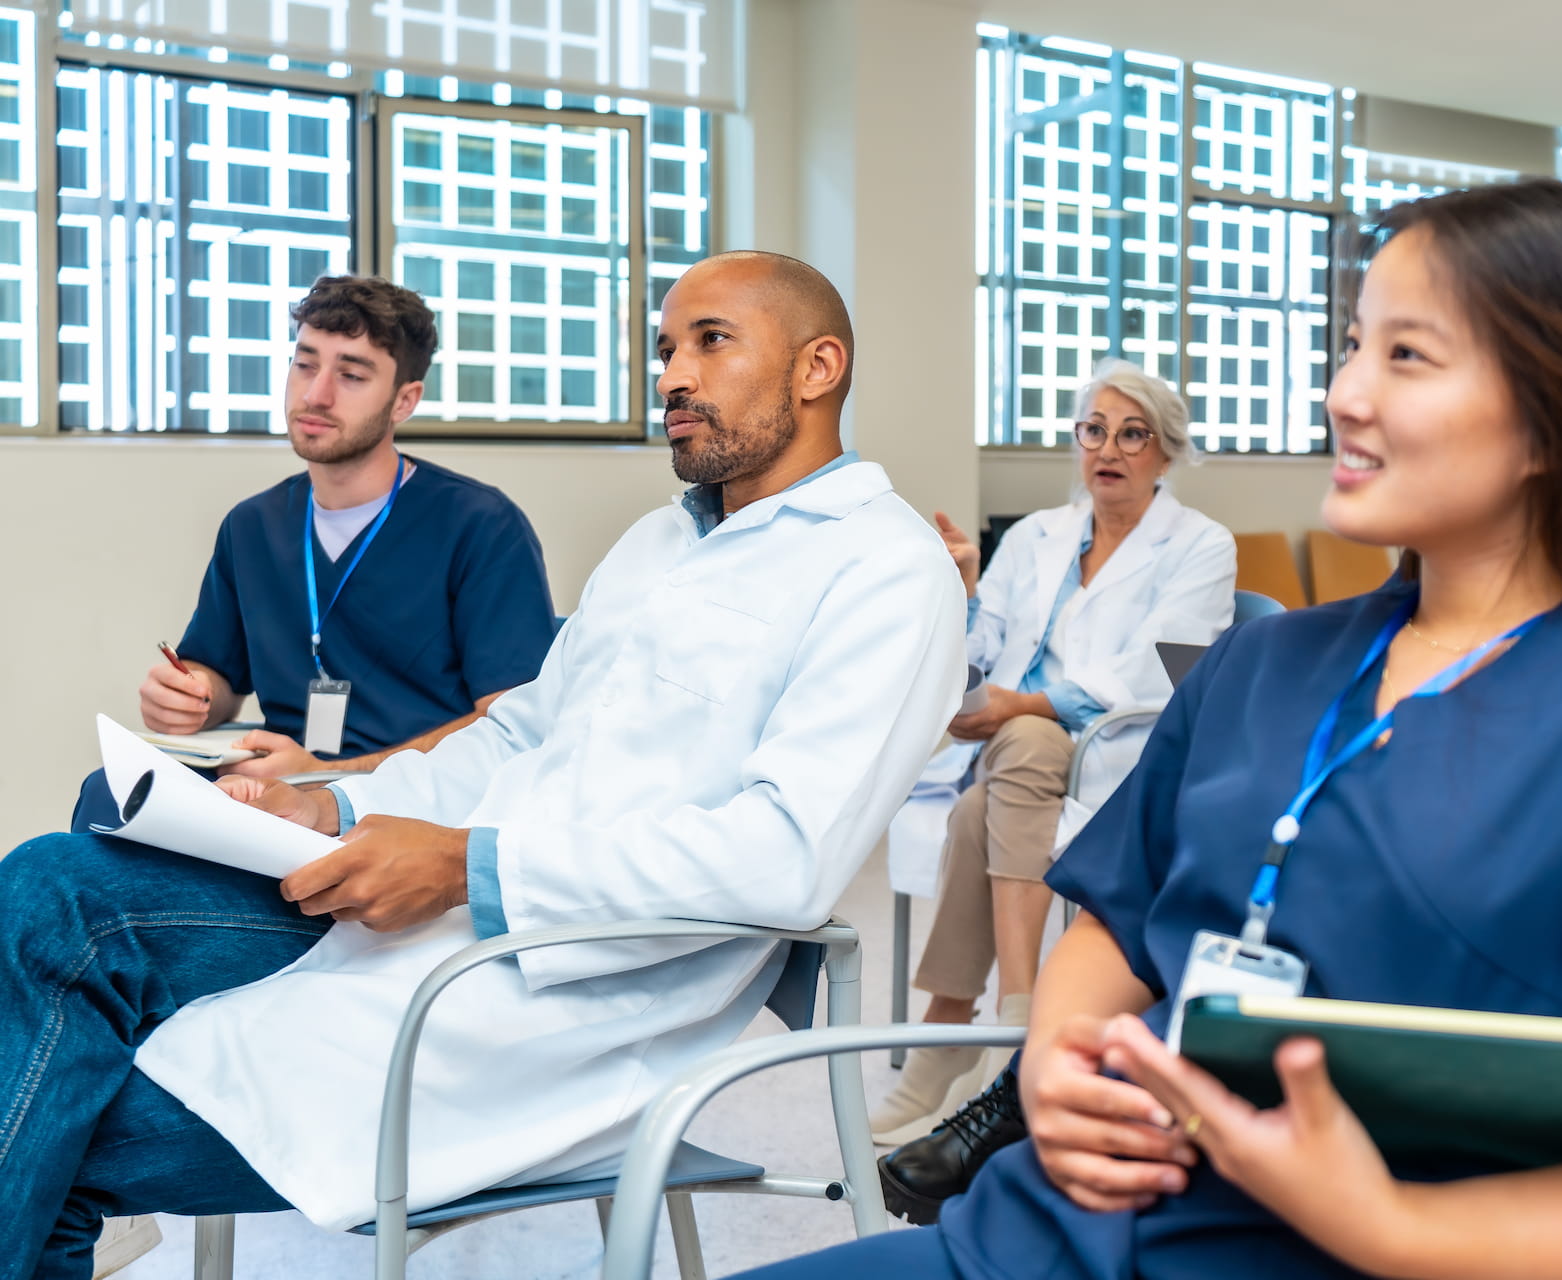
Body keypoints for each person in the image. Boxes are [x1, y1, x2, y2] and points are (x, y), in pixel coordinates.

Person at [739, 181, 1562, 1279]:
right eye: (1350, 345)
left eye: (1406, 354)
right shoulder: (1267, 661)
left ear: (1560, 416)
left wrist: (1397, 1227)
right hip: (1048, 1238)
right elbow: (1118, 927)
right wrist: (1063, 1065)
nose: (1343, 390)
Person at [0, 250, 966, 1278]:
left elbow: (783, 858)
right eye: (666, 348)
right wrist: (328, 802)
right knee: (51, 882)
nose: (674, 374)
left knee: (49, 1132)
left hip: (571, 999)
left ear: (819, 367)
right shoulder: (657, 545)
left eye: (711, 342)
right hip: (424, 909)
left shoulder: (885, 572)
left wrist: (470, 866)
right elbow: (515, 737)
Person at [873, 359, 1235, 1145]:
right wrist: (960, 590)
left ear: (1165, 453)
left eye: (1133, 434)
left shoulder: (1202, 547)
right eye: (1094, 430)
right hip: (1013, 757)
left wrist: (1024, 706)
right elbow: (977, 658)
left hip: (1119, 754)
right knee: (1000, 778)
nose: (1109, 448)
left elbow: (1162, 673)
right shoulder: (1036, 536)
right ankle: (994, 1026)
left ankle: (984, 1022)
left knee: (1018, 756)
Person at [69, 275, 557, 832]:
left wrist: (334, 778)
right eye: (305, 364)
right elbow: (220, 679)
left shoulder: (481, 526)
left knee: (88, 881)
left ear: (405, 400)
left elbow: (513, 724)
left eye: (350, 375)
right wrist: (192, 696)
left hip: (410, 817)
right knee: (110, 793)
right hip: (272, 794)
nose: (315, 394)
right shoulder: (253, 526)